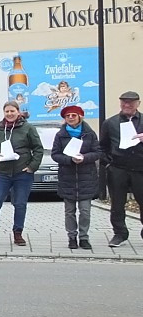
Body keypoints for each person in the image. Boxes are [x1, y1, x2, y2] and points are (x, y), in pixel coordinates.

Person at [0, 102, 43, 246]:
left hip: (22, 173)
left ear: (18, 112)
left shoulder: (28, 128)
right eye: (7, 111)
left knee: (20, 204)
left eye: (12, 111)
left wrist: (31, 167)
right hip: (2, 173)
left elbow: (38, 149)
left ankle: (18, 233)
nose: (9, 114)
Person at [50, 105, 101, 250]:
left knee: (85, 211)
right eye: (68, 116)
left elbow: (97, 152)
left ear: (80, 117)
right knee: (69, 211)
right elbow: (55, 154)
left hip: (86, 178)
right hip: (68, 178)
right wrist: (69, 160)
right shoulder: (60, 135)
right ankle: (72, 237)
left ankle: (84, 237)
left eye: (73, 115)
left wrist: (84, 158)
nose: (71, 118)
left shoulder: (89, 134)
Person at [99, 91, 143, 247]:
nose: (127, 105)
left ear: (138, 103)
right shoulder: (110, 123)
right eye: (124, 102)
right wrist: (108, 163)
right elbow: (102, 147)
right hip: (118, 169)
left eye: (130, 102)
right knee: (117, 203)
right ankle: (120, 233)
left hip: (140, 168)